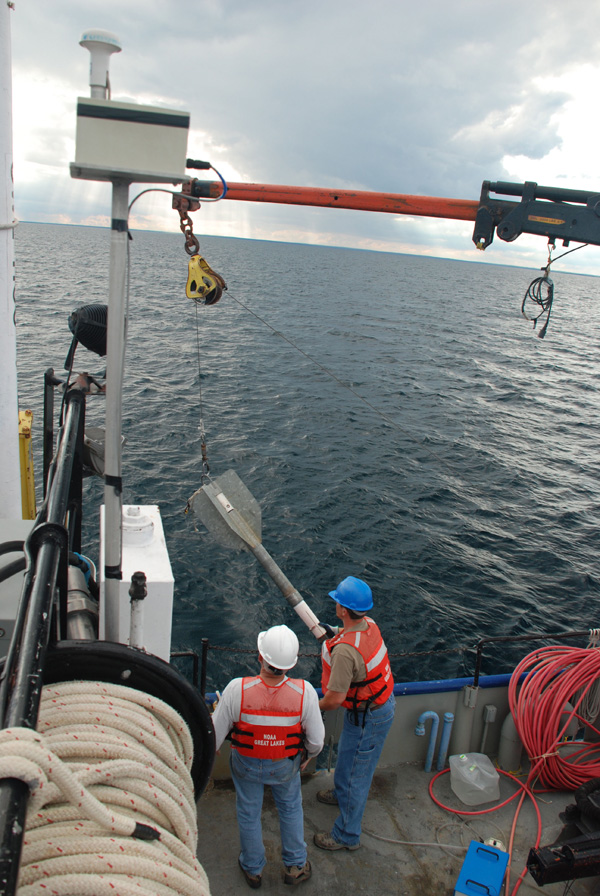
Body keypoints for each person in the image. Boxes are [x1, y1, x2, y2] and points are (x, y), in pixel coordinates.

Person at [212, 625, 325, 888]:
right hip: (285, 766)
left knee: (249, 811)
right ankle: (296, 865)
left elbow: (215, 737)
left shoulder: (235, 690)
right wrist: (306, 756)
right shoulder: (305, 692)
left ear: (261, 657)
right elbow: (317, 741)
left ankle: (253, 869)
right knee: (290, 807)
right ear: (291, 665)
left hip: (246, 764)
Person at [313, 575, 395, 852]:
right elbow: (354, 636)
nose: (335, 603)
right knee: (348, 763)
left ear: (344, 610)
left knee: (356, 776)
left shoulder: (344, 653)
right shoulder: (369, 624)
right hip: (375, 708)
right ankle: (340, 794)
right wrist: (334, 631)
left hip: (368, 718)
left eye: (338, 601)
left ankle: (347, 835)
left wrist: (311, 707)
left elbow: (334, 700)